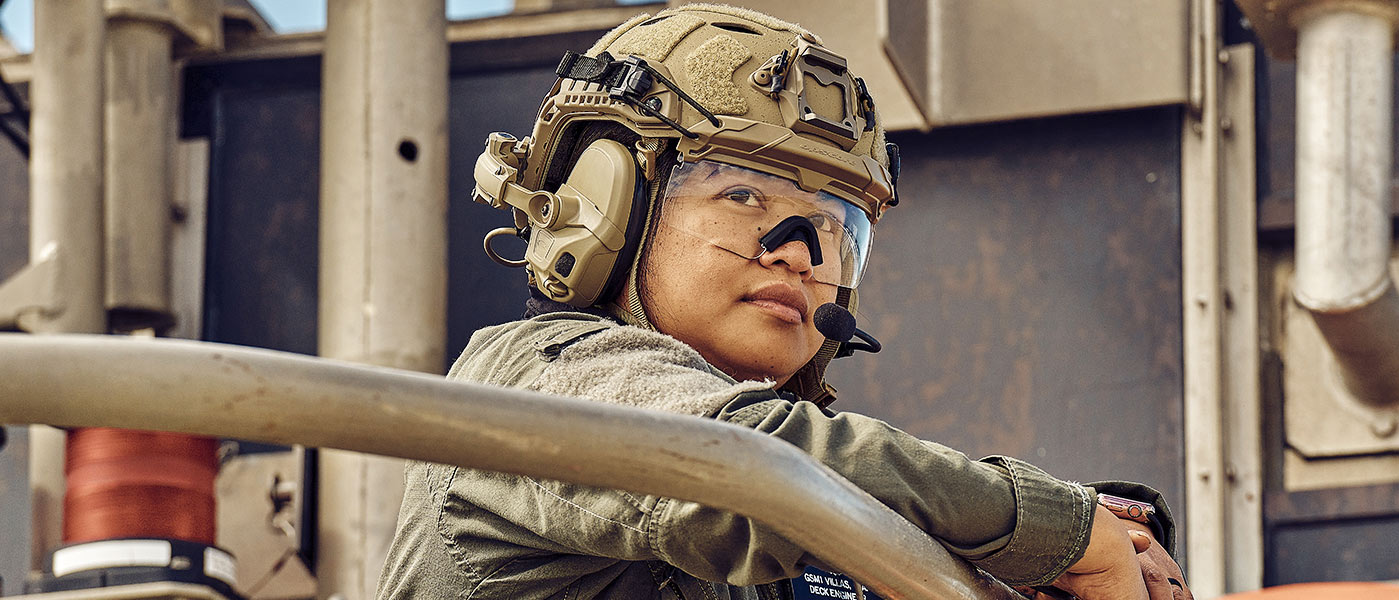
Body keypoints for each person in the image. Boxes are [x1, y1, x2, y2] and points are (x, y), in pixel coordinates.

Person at [378, 5, 1192, 599]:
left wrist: (1042, 569)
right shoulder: (535, 379)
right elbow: (740, 463)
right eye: (741, 196)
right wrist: (1056, 529)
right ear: (606, 203)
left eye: (834, 226)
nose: (800, 251)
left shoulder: (805, 525)